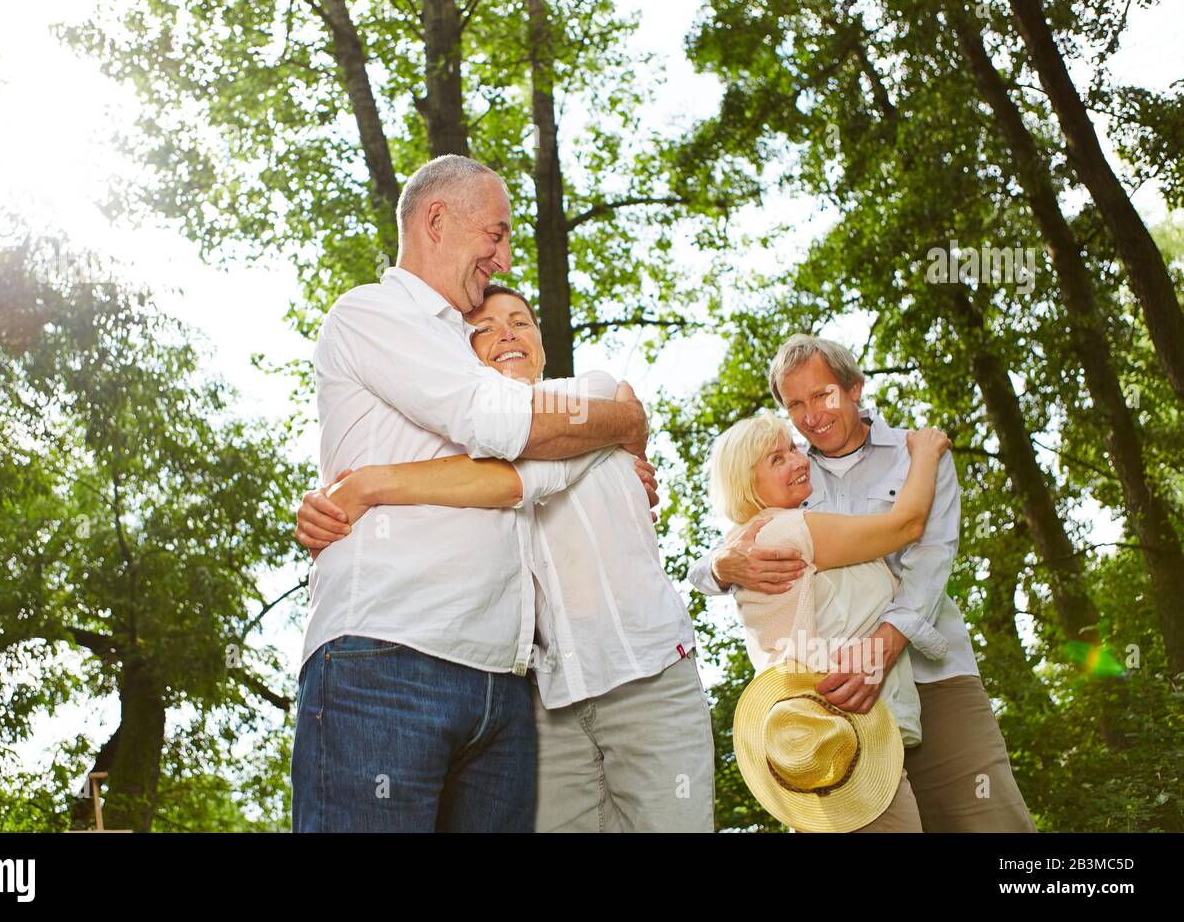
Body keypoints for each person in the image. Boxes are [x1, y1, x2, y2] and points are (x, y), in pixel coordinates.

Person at [292, 154, 651, 833]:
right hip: (388, 658)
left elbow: (528, 475)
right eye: (496, 234)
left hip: (503, 687)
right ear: (436, 220)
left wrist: (604, 454)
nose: (506, 257)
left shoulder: (474, 345)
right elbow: (502, 426)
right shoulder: (374, 313)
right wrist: (621, 423)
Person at [298, 285, 716, 832]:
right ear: (459, 356)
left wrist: (373, 485)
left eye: (521, 322)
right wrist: (329, 503)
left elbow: (517, 480)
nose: (506, 334)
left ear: (542, 345)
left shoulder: (592, 395)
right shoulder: (460, 440)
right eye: (484, 328)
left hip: (646, 673)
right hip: (547, 704)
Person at [688, 334, 1036, 832]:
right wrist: (720, 567)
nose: (811, 416)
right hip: (835, 695)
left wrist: (883, 647)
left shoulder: (919, 456)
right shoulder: (789, 471)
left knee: (988, 819)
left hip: (929, 672)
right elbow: (727, 547)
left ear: (854, 387)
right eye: (796, 405)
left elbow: (930, 560)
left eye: (823, 394)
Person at [709, 411, 951, 831]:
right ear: (747, 484)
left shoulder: (749, 540)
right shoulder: (790, 532)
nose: (798, 460)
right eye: (776, 459)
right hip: (846, 737)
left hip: (821, 738)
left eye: (792, 448)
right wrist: (926, 451)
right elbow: (907, 525)